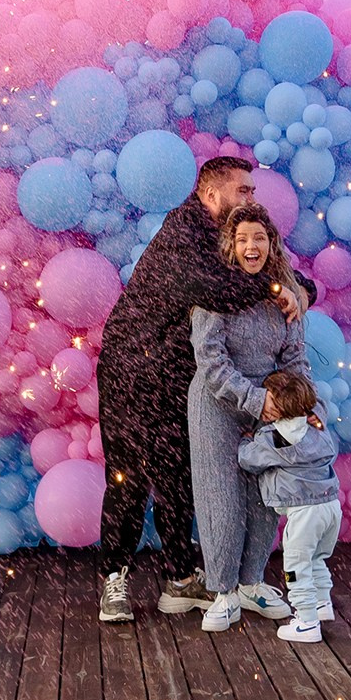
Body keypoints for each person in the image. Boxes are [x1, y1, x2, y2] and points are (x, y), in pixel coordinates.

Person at [93, 156, 308, 622]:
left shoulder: (231, 235)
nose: (251, 197)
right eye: (243, 190)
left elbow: (275, 273)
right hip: (133, 367)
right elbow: (217, 291)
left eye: (252, 191)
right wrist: (278, 290)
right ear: (212, 195)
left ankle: (179, 578)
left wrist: (296, 290)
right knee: (129, 476)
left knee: (178, 476)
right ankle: (114, 579)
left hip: (177, 373)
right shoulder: (184, 234)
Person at [160, 203, 308, 631]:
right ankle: (223, 591)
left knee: (266, 495)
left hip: (272, 402)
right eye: (242, 239)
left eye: (259, 237)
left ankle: (251, 583)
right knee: (220, 497)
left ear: (271, 244)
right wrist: (254, 399)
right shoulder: (215, 294)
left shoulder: (284, 295)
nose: (251, 246)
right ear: (230, 246)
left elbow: (294, 356)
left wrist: (296, 404)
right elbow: (210, 359)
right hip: (217, 401)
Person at [236, 368, 342, 645]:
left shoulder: (274, 438)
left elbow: (248, 460)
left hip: (304, 513)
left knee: (295, 565)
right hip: (331, 505)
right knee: (316, 558)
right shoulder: (317, 428)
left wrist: (246, 439)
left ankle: (307, 623)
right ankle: (321, 604)